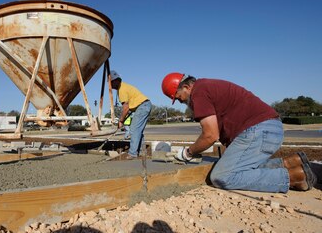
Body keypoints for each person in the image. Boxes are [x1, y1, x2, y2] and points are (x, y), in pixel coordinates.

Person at [161, 72, 317, 193]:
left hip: (259, 131)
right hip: (268, 129)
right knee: (241, 166)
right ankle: (291, 163)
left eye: (179, 98)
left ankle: (294, 177)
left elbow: (210, 135)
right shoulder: (208, 86)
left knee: (222, 177)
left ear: (187, 87)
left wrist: (188, 152)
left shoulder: (199, 93)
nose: (182, 102)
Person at [110, 70, 152, 159]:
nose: (110, 85)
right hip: (142, 106)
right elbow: (129, 108)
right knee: (138, 130)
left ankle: (133, 153)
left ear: (117, 81)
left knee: (134, 129)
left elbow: (126, 108)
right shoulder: (123, 87)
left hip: (142, 106)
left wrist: (121, 120)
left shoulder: (122, 90)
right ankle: (141, 152)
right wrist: (124, 118)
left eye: (111, 82)